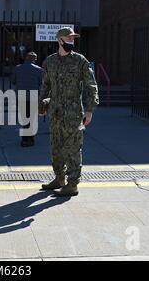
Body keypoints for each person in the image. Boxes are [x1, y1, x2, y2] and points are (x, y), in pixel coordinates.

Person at [39, 27, 99, 197]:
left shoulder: (80, 61)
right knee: (56, 148)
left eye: (73, 39)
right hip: (55, 113)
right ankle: (59, 178)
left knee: (73, 149)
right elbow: (45, 85)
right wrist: (41, 106)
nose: (71, 42)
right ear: (59, 40)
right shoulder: (50, 62)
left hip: (73, 115)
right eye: (68, 39)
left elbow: (91, 86)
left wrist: (90, 110)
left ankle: (72, 184)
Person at [11, 52, 42, 147]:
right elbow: (41, 82)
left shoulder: (18, 68)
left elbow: (13, 81)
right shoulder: (39, 69)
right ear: (34, 60)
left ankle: (24, 139)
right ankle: (30, 138)